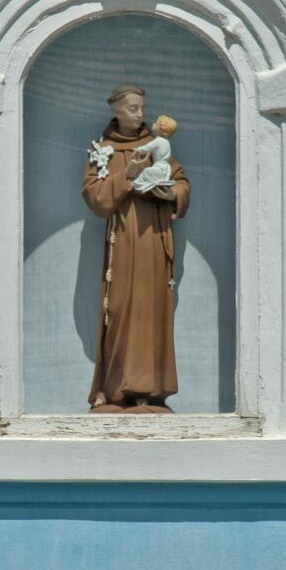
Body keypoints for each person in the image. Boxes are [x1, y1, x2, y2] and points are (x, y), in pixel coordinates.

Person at [82, 85, 190, 413]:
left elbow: (182, 182)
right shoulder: (103, 150)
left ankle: (149, 391)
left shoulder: (156, 146)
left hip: (154, 242)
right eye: (132, 108)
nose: (139, 114)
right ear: (116, 111)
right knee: (118, 309)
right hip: (123, 243)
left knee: (150, 310)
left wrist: (170, 194)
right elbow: (96, 199)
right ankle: (114, 391)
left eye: (141, 107)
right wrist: (126, 177)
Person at [131, 114, 177, 194]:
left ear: (160, 129)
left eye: (155, 123)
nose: (153, 124)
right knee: (148, 174)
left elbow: (147, 148)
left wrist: (138, 150)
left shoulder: (158, 141)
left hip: (159, 168)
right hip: (165, 169)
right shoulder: (166, 142)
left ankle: (136, 185)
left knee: (146, 172)